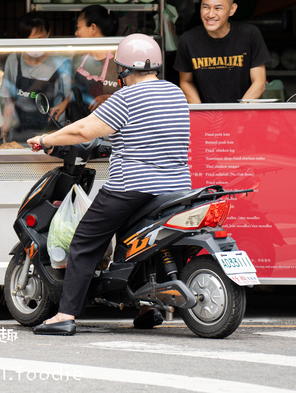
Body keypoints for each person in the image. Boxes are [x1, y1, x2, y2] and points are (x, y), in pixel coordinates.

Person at [26, 33, 190, 335]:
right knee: (134, 240)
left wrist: (45, 139)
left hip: (131, 186)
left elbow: (83, 131)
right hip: (176, 186)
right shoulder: (175, 92)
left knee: (85, 241)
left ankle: (65, 315)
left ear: (123, 70)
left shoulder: (126, 98)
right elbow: (148, 135)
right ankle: (147, 307)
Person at [174, 0, 271, 104]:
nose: (210, 14)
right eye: (205, 7)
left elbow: (259, 83)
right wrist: (201, 111)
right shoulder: (188, 40)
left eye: (218, 8)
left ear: (232, 9)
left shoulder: (249, 34)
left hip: (243, 113)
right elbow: (186, 81)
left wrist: (237, 111)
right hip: (205, 116)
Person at [0, 14, 71, 146]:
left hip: (52, 136)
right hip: (20, 136)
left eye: (39, 39)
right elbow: (8, 98)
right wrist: (5, 129)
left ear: (48, 34)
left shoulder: (61, 62)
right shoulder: (14, 60)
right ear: (19, 39)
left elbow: (71, 98)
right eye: (28, 40)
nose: (34, 45)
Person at [50, 5, 119, 123]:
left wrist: (107, 97)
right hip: (80, 127)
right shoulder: (79, 56)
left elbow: (133, 95)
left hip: (109, 130)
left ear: (93, 28)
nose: (76, 33)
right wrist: (65, 103)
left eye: (78, 27)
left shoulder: (119, 59)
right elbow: (79, 89)